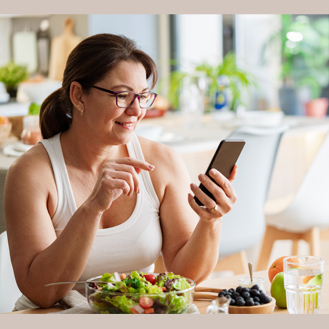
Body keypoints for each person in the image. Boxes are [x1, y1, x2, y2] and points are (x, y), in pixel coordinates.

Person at [4, 33, 237, 309]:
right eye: (122, 96)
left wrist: (210, 222)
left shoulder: (162, 163)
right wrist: (92, 208)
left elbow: (184, 277)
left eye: (143, 96)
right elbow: (41, 293)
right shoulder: (31, 173)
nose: (137, 110)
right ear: (79, 96)